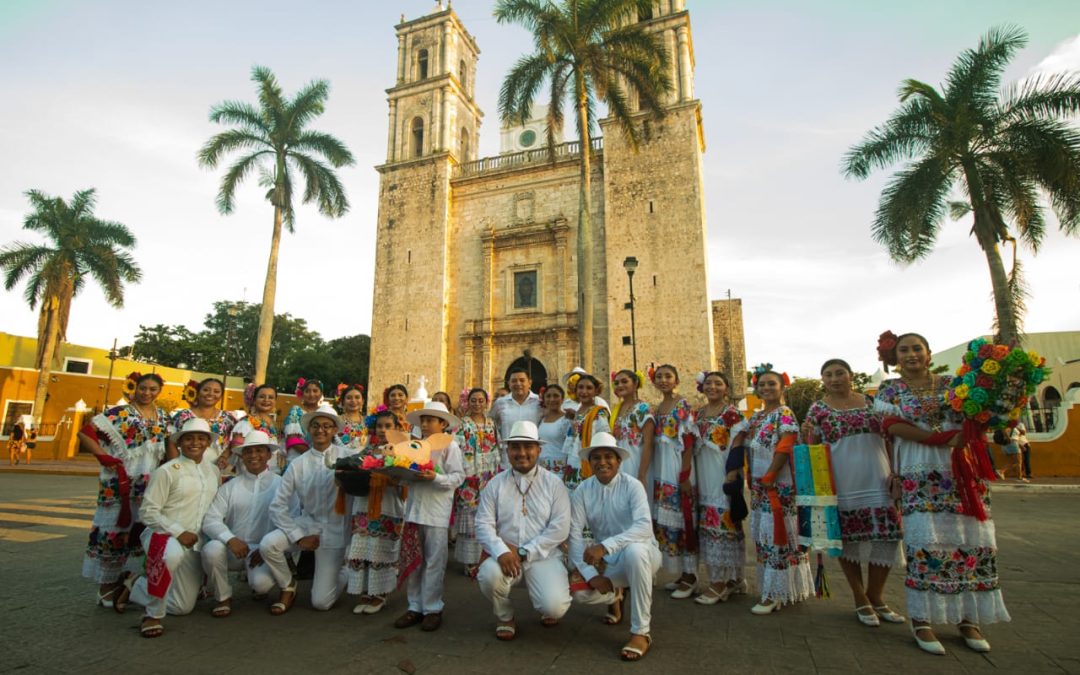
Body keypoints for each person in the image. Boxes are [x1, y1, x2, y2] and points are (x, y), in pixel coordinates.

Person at [876, 332, 1010, 655]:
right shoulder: (890, 389)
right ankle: (922, 619)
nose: (911, 355)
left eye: (917, 349)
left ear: (929, 353)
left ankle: (967, 618)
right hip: (920, 473)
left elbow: (977, 418)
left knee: (969, 540)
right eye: (904, 350)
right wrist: (941, 439)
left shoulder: (955, 384)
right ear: (895, 357)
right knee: (925, 542)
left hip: (962, 473)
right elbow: (891, 425)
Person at [802, 359, 903, 626]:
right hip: (842, 481)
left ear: (850, 376)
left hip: (878, 477)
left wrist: (895, 472)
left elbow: (891, 439)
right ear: (822, 380)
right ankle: (860, 598)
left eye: (839, 373)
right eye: (828, 375)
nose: (835, 379)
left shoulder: (873, 404)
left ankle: (876, 596)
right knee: (849, 541)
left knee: (886, 538)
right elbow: (811, 448)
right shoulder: (817, 410)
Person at [112, 418, 219, 638]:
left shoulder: (213, 472)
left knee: (182, 607)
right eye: (189, 438)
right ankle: (152, 615)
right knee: (170, 555)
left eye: (201, 438)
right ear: (179, 443)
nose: (195, 443)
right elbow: (148, 512)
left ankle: (136, 585)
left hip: (195, 541)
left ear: (208, 443)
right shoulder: (167, 471)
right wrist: (179, 532)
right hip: (164, 535)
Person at [476, 420, 572, 641]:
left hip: (543, 556)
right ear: (507, 450)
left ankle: (545, 600)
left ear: (539, 449)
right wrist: (500, 551)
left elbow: (560, 528)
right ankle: (504, 615)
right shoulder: (495, 484)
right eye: (515, 447)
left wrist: (524, 552)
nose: (522, 453)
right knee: (489, 575)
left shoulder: (554, 484)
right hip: (506, 555)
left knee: (554, 607)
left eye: (528, 447)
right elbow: (483, 524)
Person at [78, 372, 168, 607]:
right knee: (115, 533)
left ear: (159, 391)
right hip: (120, 482)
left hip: (148, 485)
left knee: (139, 535)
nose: (147, 393)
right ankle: (106, 588)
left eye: (152, 389)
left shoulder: (163, 417)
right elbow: (86, 433)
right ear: (134, 388)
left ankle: (127, 585)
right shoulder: (120, 413)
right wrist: (104, 457)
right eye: (143, 388)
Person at [570, 431, 661, 661]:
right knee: (581, 594)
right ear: (589, 462)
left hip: (644, 554)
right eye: (596, 457)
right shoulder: (582, 490)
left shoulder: (632, 486)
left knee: (635, 551)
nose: (602, 462)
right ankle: (616, 595)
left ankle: (641, 632)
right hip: (610, 562)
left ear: (619, 460)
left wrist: (605, 546)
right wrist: (591, 574)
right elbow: (574, 536)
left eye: (608, 456)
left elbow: (643, 528)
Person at [260, 403, 357, 614]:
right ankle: (288, 585)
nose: (320, 430)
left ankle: (348, 569)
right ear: (309, 429)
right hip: (307, 524)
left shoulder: (349, 457)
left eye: (326, 425)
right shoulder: (298, 463)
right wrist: (298, 536)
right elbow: (277, 506)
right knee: (268, 544)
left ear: (334, 430)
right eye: (315, 425)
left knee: (321, 603)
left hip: (336, 530)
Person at [738, 368, 813, 615]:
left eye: (772, 384)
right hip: (761, 487)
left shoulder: (785, 414)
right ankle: (775, 588)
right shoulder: (757, 418)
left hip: (778, 486)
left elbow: (785, 444)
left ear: (783, 387)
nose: (766, 388)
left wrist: (771, 475)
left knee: (778, 537)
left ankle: (776, 594)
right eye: (762, 384)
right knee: (765, 537)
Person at [393, 401, 465, 632]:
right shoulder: (415, 445)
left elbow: (458, 477)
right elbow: (406, 474)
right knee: (414, 561)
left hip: (436, 511)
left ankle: (432, 608)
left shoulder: (450, 447)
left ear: (442, 424)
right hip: (414, 509)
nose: (425, 424)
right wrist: (399, 475)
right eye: (423, 420)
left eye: (430, 420)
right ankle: (414, 606)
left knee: (434, 561)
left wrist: (435, 477)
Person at [201, 429, 282, 618]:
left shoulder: (280, 485)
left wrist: (267, 549)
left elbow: (288, 522)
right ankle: (223, 597)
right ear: (242, 456)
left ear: (269, 454)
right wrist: (230, 539)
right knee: (211, 549)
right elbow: (211, 519)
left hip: (261, 551)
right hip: (233, 548)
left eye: (259, 450)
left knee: (261, 585)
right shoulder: (230, 486)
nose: (253, 456)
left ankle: (260, 583)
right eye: (248, 451)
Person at [692, 370, 748, 604]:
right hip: (702, 473)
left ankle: (720, 583)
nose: (712, 387)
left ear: (726, 388)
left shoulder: (732, 414)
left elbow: (737, 446)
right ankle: (734, 579)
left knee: (726, 524)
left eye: (718, 383)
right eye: (708, 383)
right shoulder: (698, 414)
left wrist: (732, 475)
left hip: (722, 473)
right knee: (709, 525)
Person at [347, 410, 410, 615]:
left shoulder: (401, 451)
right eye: (380, 426)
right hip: (365, 504)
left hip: (388, 505)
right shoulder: (368, 450)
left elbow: (405, 480)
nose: (383, 430)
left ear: (396, 428)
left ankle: (380, 593)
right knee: (363, 546)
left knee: (381, 548)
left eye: (388, 426)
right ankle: (365, 590)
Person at [647, 364, 700, 599]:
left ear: (676, 380)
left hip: (677, 468)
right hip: (662, 468)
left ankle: (690, 576)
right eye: (659, 377)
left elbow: (688, 440)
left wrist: (685, 473)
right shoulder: (658, 407)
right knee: (671, 523)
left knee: (684, 518)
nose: (663, 380)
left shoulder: (682, 405)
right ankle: (681, 574)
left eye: (668, 376)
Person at [453, 388, 501, 576]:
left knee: (487, 515)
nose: (477, 404)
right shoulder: (462, 424)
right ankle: (469, 560)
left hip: (488, 475)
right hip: (469, 477)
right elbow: (457, 449)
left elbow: (496, 445)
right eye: (474, 400)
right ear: (468, 402)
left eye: (481, 400)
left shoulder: (491, 423)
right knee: (470, 518)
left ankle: (484, 556)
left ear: (486, 402)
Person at [168, 377, 236, 467]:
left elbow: (234, 442)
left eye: (216, 391)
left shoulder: (228, 418)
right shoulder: (183, 416)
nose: (211, 394)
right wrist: (177, 467)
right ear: (198, 392)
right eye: (206, 390)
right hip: (186, 468)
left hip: (218, 469)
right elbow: (171, 442)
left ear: (221, 396)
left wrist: (224, 457)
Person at [561, 373, 611, 491]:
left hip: (589, 462)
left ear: (595, 392)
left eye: (589, 388)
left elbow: (604, 439)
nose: (584, 391)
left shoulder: (599, 413)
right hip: (572, 463)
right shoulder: (577, 412)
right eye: (581, 387)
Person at [490, 368, 543, 469]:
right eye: (514, 381)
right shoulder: (500, 403)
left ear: (530, 382)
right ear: (509, 384)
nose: (518, 383)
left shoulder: (539, 403)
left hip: (534, 459)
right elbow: (491, 424)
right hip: (507, 460)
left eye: (522, 380)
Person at [610, 369, 655, 486]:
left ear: (635, 384)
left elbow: (649, 443)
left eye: (624, 381)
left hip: (636, 464)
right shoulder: (616, 409)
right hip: (619, 466)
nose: (620, 385)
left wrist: (642, 474)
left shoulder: (643, 408)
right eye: (617, 383)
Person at [228, 384, 282, 473]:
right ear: (254, 400)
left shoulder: (272, 424)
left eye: (271, 397)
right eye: (262, 397)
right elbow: (236, 448)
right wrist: (256, 460)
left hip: (270, 474)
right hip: (250, 474)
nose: (266, 400)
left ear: (275, 401)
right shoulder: (245, 423)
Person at [283, 378, 324, 459]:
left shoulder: (324, 413)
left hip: (321, 459)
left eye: (315, 391)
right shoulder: (296, 411)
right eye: (307, 391)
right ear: (302, 394)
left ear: (321, 394)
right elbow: (292, 439)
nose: (311, 394)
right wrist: (314, 456)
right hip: (298, 458)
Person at [537, 384, 571, 475]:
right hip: (542, 469)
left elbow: (571, 447)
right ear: (544, 400)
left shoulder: (566, 420)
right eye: (548, 396)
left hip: (560, 470)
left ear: (562, 399)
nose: (552, 399)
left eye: (556, 396)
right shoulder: (541, 420)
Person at [336, 384, 368, 450]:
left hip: (365, 459)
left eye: (357, 397)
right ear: (343, 402)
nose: (353, 400)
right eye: (349, 398)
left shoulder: (368, 421)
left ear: (363, 401)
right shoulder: (336, 420)